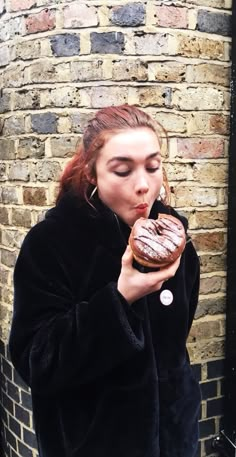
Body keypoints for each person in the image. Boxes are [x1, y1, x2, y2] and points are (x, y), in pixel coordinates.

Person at [9, 104, 201, 457]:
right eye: (123, 170)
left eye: (153, 166)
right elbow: (34, 360)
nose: (144, 185)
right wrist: (120, 299)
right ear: (93, 174)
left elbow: (177, 343)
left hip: (174, 437)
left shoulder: (174, 239)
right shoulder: (52, 244)